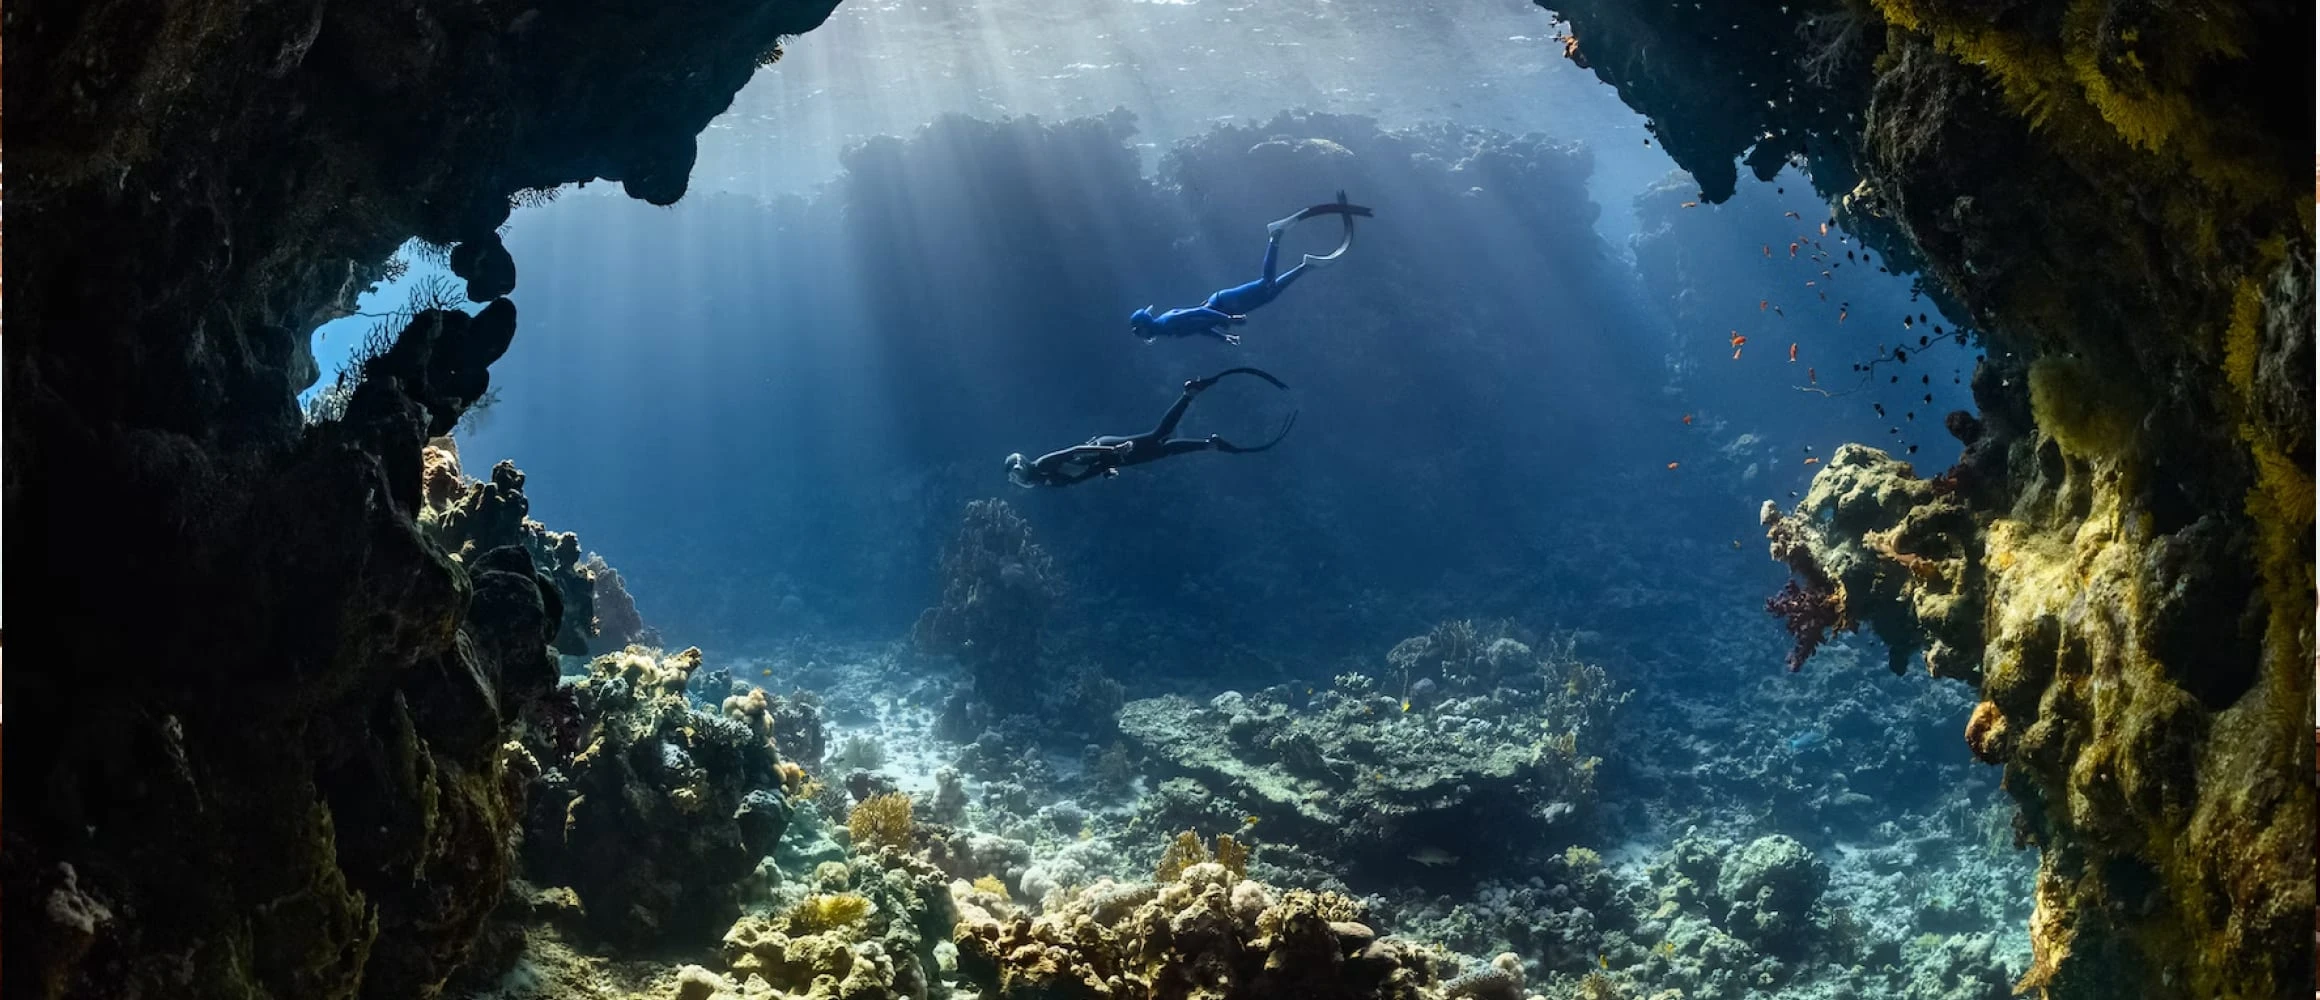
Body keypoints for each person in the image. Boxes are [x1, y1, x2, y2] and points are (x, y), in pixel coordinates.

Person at [1128, 191, 1372, 344]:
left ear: (1144, 328)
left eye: (1138, 333)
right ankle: (1306, 266)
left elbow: (1197, 314)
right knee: (1270, 293)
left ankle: (1275, 235)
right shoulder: (1165, 329)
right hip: (1224, 307)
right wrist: (1225, 337)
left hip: (1224, 303)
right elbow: (1201, 327)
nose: (1140, 337)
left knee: (1266, 283)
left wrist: (1229, 318)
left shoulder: (1167, 323)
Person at [1005, 368, 1297, 487]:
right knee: (1163, 449)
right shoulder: (1042, 482)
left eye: (1016, 473)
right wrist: (1105, 469)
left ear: (1022, 465)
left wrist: (1111, 451)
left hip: (1106, 449)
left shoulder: (1042, 465)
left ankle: (1190, 395)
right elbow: (1079, 473)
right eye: (1014, 478)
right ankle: (1211, 444)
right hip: (1110, 457)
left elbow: (1077, 451)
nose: (1018, 480)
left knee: (1160, 437)